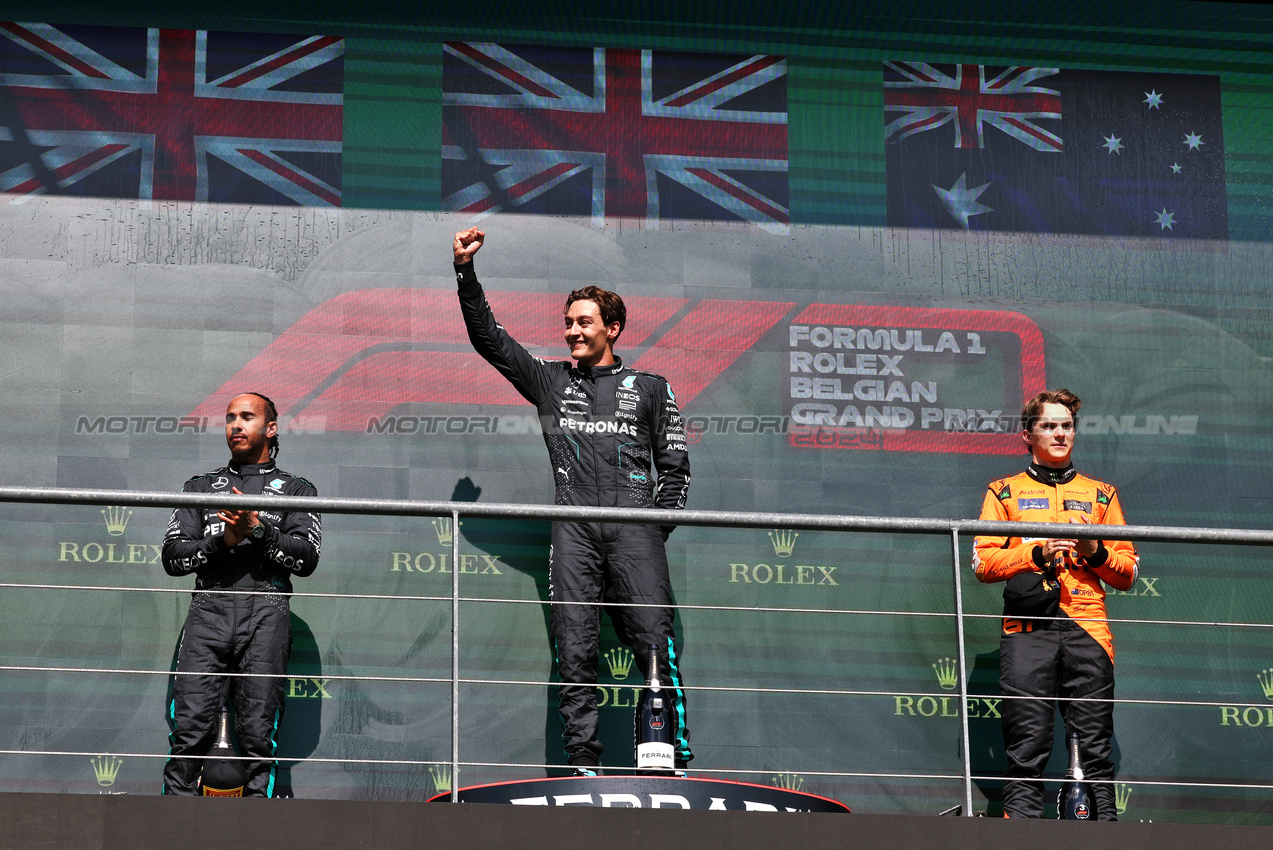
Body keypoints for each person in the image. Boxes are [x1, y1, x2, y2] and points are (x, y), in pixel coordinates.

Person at [452, 227, 692, 773]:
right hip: (573, 528)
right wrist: (466, 273)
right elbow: (490, 339)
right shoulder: (550, 382)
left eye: (584, 322)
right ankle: (582, 759)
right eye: (567, 323)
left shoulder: (652, 387)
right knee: (576, 647)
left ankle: (665, 755)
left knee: (655, 643)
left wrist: (654, 528)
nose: (571, 332)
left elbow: (675, 468)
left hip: (636, 527)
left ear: (613, 328)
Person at [973, 388, 1138, 819]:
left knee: (1097, 748)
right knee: (1026, 747)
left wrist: (1093, 551)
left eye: (1066, 426)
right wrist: (1035, 553)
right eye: (1048, 426)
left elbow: (1129, 574)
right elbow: (982, 562)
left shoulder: (1102, 494)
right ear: (1027, 434)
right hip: (1028, 626)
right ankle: (1022, 833)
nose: (1060, 433)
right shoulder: (1003, 491)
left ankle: (1104, 833)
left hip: (1088, 626)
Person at [161, 392, 322, 796]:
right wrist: (225, 541)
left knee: (257, 733)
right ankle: (170, 828)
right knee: (189, 729)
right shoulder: (199, 487)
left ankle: (256, 829)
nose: (235, 425)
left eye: (247, 417)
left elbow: (306, 560)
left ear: (270, 428)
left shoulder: (298, 490)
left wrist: (259, 530)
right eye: (230, 417)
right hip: (207, 609)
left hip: (267, 610)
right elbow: (172, 557)